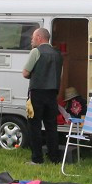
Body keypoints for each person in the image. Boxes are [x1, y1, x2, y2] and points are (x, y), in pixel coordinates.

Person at [22, 27, 63, 165]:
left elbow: (25, 73)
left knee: (35, 126)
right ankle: (54, 158)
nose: (32, 40)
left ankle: (37, 159)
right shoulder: (57, 53)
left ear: (39, 37)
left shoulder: (36, 52)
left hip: (37, 93)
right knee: (52, 127)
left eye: (33, 37)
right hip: (52, 94)